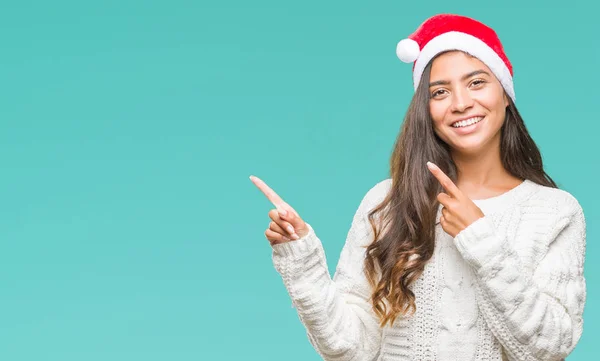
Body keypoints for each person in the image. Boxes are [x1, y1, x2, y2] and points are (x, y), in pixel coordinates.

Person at [249, 14, 586, 361]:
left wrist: (481, 239)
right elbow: (352, 348)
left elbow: (550, 348)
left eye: (476, 83)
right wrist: (302, 262)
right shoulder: (387, 201)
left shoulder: (556, 212)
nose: (460, 103)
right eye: (440, 91)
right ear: (426, 110)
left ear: (505, 93)